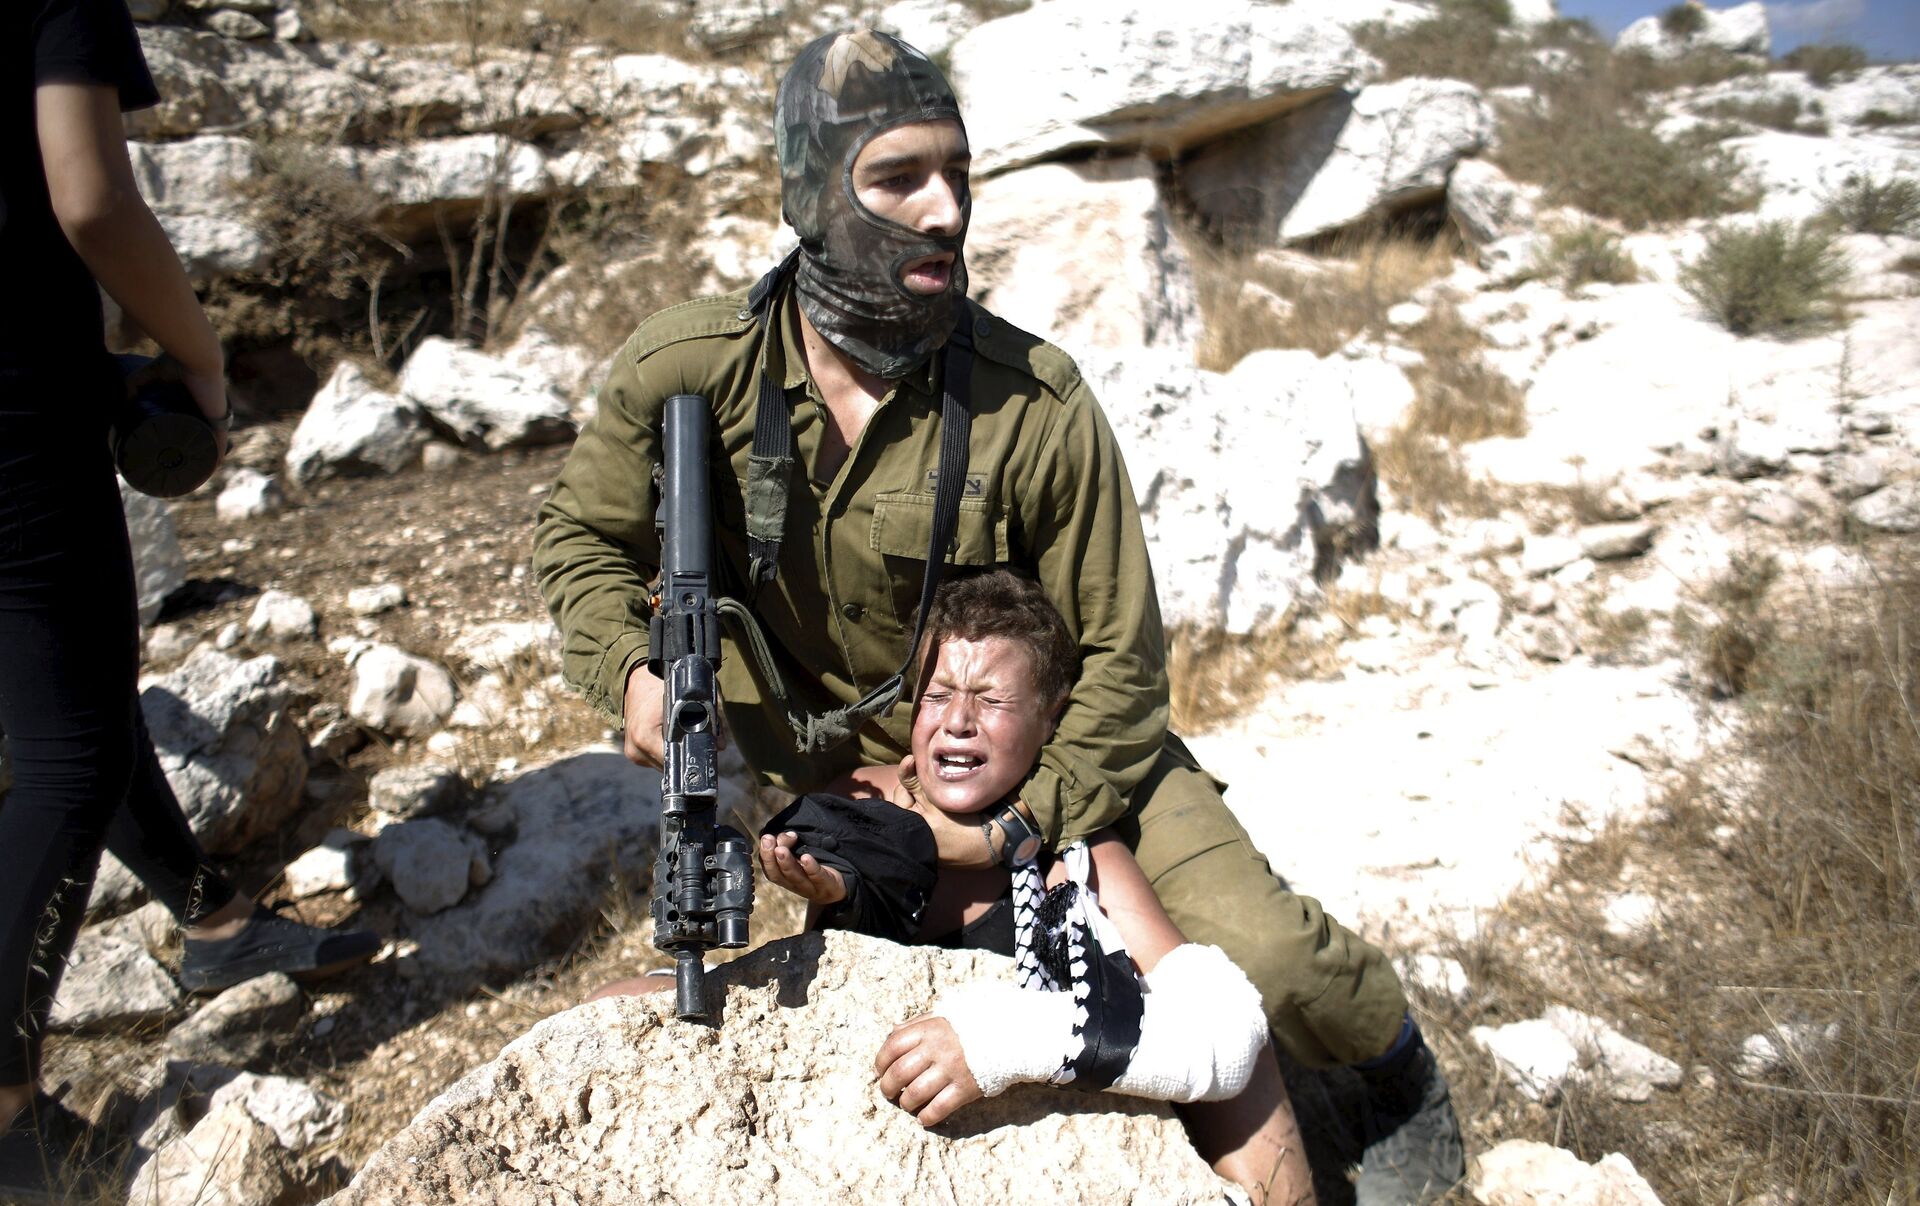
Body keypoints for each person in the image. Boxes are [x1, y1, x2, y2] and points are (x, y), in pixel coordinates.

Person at [534, 28, 1461, 1203]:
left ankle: (1391, 1074)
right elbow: (581, 540)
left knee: (1271, 958)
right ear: (812, 195)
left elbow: (1121, 667)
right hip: (851, 791)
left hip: (1048, 753)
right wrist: (632, 671)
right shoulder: (689, 370)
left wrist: (1009, 831)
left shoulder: (1035, 401)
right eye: (898, 177)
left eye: (959, 174)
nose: (947, 211)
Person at [0, 0, 379, 1186]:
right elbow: (91, 199)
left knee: (74, 697)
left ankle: (215, 921)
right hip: (16, 409)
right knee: (67, 758)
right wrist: (200, 360)